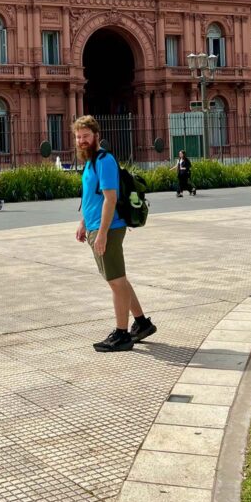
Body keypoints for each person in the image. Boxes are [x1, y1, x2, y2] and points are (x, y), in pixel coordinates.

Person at [73, 115, 156, 352]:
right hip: (96, 226)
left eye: (86, 136)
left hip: (108, 228)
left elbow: (110, 199)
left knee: (116, 282)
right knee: (118, 278)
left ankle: (122, 334)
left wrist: (102, 233)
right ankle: (141, 324)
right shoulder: (90, 162)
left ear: (96, 135)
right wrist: (83, 223)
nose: (81, 141)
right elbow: (93, 198)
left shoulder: (104, 160)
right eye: (78, 137)